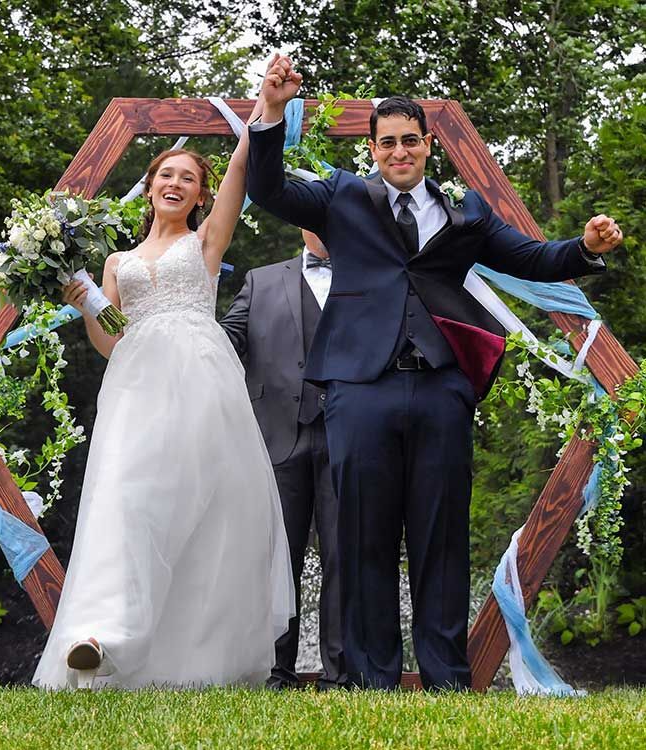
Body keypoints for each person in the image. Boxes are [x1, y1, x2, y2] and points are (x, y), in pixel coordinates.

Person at [246, 54, 623, 689]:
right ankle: (373, 676)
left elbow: (532, 257)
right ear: (372, 149)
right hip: (358, 388)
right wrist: (273, 111)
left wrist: (584, 249)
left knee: (441, 534)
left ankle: (447, 674)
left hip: (442, 387)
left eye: (410, 141)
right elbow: (268, 189)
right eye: (387, 141)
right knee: (363, 535)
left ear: (428, 147)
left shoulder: (467, 215)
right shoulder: (340, 197)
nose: (400, 151)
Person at [32, 78, 294, 689]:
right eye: (165, 175)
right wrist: (87, 306)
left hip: (200, 381)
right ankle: (100, 636)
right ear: (148, 189)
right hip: (135, 384)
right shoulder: (116, 262)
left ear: (199, 196)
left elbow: (239, 167)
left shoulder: (205, 243)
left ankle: (197, 655)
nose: (174, 184)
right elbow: (110, 341)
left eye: (187, 178)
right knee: (127, 499)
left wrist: (267, 106)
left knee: (200, 506)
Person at [220, 230, 347, 690]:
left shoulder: (373, 275)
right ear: (299, 225)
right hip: (275, 435)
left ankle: (341, 674)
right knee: (276, 559)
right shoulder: (260, 280)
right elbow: (225, 340)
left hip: (349, 438)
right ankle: (275, 671)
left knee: (343, 556)